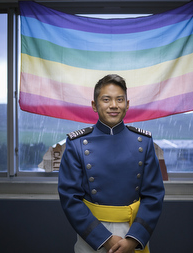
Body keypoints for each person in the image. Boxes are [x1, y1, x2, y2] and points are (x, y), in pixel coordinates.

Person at [58, 74, 165, 253]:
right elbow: (70, 198)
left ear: (127, 104)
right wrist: (104, 239)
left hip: (133, 232)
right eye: (106, 99)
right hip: (92, 236)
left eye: (119, 99)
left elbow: (154, 195)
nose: (114, 105)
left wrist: (133, 238)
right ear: (94, 105)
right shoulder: (76, 143)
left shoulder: (143, 142)